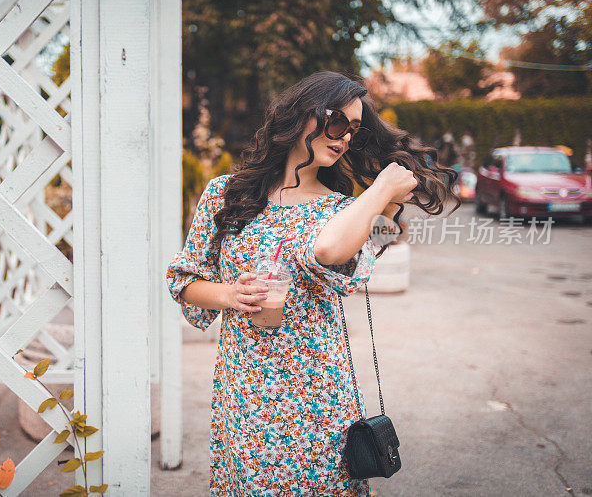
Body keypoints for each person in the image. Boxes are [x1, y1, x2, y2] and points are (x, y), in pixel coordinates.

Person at [166, 71, 460, 496]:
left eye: (354, 130)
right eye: (337, 122)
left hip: (320, 393)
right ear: (302, 115)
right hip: (246, 390)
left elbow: (326, 252)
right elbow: (184, 281)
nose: (344, 138)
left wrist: (380, 193)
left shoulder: (345, 211)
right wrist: (230, 294)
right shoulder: (225, 195)